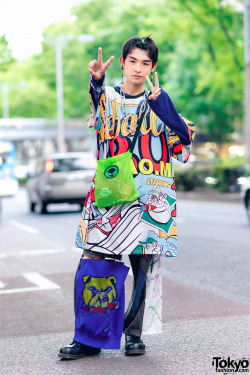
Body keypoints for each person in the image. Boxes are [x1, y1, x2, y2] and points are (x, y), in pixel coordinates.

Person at [59, 35, 195, 359]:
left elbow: (185, 144)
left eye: (145, 63)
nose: (138, 68)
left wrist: (165, 108)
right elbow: (94, 112)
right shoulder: (107, 98)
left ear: (153, 67)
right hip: (111, 195)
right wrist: (96, 80)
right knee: (94, 264)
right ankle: (89, 338)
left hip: (149, 197)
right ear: (122, 63)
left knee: (142, 268)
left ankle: (134, 335)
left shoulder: (160, 101)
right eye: (132, 61)